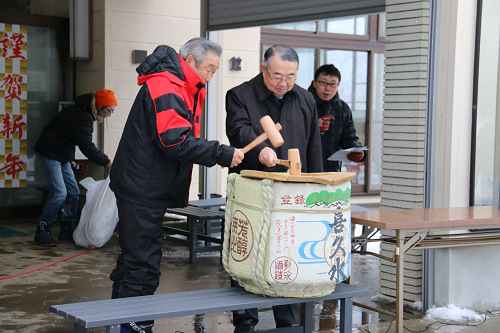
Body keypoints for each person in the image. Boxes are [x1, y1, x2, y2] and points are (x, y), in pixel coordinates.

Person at [108, 38, 244, 333]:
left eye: (215, 70)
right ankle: (134, 325)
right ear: (191, 62)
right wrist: (222, 153)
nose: (211, 76)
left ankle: (117, 319)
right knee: (143, 263)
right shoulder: (167, 85)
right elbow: (175, 139)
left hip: (144, 183)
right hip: (141, 186)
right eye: (209, 68)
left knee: (134, 257)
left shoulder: (181, 84)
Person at [225, 45, 323, 333]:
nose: (284, 83)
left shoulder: (306, 99)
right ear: (263, 68)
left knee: (287, 250)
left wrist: (314, 188)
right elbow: (238, 130)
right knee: (246, 248)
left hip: (291, 191)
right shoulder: (240, 95)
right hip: (252, 189)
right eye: (277, 75)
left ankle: (287, 315)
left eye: (291, 76)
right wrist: (262, 150)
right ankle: (244, 317)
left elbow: (313, 146)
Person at [33, 89, 116, 246]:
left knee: (73, 191)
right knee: (60, 193)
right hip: (50, 153)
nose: (109, 114)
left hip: (62, 154)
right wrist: (108, 162)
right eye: (109, 110)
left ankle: (67, 229)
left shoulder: (83, 114)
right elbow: (86, 146)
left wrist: (70, 159)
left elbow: (69, 138)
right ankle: (43, 230)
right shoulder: (81, 116)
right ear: (99, 106)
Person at [308, 64, 365, 172]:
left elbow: (349, 138)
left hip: (332, 171)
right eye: (323, 82)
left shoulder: (343, 109)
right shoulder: (302, 103)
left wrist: (358, 152)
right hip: (305, 169)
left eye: (333, 84)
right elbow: (292, 135)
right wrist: (315, 127)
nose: (327, 88)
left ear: (338, 86)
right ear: (314, 83)